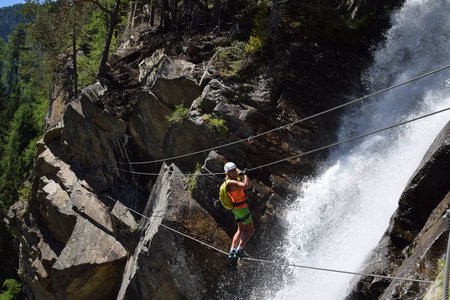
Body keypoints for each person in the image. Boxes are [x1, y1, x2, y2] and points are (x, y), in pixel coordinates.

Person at [223, 161, 254, 259]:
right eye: (231, 172)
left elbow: (239, 184)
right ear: (228, 174)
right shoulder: (233, 183)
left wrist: (240, 173)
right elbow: (247, 185)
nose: (234, 173)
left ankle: (232, 251)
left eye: (234, 171)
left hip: (236, 209)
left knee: (240, 230)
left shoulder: (228, 182)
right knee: (250, 230)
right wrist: (245, 174)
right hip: (241, 209)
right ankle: (239, 250)